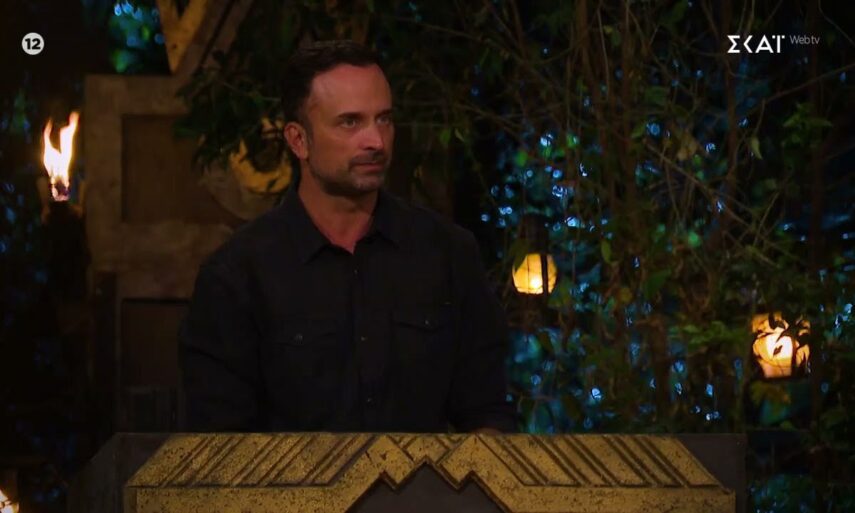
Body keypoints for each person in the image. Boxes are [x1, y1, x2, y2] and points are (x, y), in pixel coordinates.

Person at [179, 40, 517, 434]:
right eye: (350, 122)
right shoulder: (237, 276)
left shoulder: (448, 253)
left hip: (427, 479)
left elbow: (487, 413)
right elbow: (219, 443)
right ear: (298, 140)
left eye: (384, 119)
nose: (376, 141)